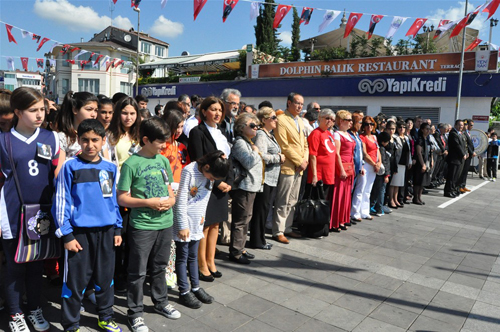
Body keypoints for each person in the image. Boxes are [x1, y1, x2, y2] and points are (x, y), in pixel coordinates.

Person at [53, 119, 123, 332]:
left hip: (107, 232)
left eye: (95, 140)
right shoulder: (70, 167)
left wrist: (118, 228)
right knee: (75, 282)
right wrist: (66, 235)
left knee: (105, 278)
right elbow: (61, 203)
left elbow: (113, 202)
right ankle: (71, 323)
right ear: (78, 140)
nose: (90, 145)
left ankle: (105, 316)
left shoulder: (110, 168)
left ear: (103, 141)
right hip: (79, 235)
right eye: (85, 140)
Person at [0, 87, 59, 332]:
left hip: (41, 214)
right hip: (13, 212)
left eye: (42, 110)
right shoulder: (4, 140)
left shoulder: (51, 137)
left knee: (36, 265)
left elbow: (57, 174)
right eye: (32, 110)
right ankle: (15, 313)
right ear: (17, 112)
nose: (39, 115)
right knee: (14, 266)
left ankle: (34, 308)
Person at [117, 117, 181, 332]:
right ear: (146, 140)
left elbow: (169, 189)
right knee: (137, 271)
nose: (165, 146)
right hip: (142, 225)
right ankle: (134, 313)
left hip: (165, 222)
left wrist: (171, 200)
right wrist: (148, 203)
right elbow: (122, 198)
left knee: (160, 266)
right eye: (160, 142)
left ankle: (161, 302)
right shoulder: (131, 164)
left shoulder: (162, 161)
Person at [174, 151, 229, 308]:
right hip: (184, 222)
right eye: (211, 177)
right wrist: (182, 225)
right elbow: (181, 200)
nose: (211, 180)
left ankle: (196, 287)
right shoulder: (189, 171)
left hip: (198, 222)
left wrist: (202, 220)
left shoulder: (209, 175)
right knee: (182, 257)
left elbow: (204, 200)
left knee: (193, 256)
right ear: (206, 166)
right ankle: (184, 291)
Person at [188, 97, 232, 280]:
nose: (217, 113)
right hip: (207, 184)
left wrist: (228, 181)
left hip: (222, 184)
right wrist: (216, 181)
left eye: (220, 110)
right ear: (204, 111)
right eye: (213, 109)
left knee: (216, 224)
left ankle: (211, 261)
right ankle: (201, 264)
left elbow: (227, 159)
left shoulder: (221, 132)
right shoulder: (197, 132)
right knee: (204, 225)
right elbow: (198, 159)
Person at [272, 93, 309, 243]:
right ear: (289, 103)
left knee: (293, 200)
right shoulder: (281, 119)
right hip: (288, 165)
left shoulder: (300, 120)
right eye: (297, 103)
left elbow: (305, 144)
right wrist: (299, 161)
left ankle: (288, 227)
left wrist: (304, 160)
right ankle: (278, 230)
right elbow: (284, 145)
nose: (300, 106)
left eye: (302, 104)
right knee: (283, 200)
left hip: (299, 167)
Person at [161, 110, 190, 287]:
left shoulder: (181, 147)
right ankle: (166, 271)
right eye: (176, 126)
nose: (179, 130)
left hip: (182, 194)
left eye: (181, 126)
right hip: (166, 195)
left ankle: (171, 269)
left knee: (178, 236)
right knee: (168, 238)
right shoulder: (162, 147)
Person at [229, 113, 263, 264]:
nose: (256, 128)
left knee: (246, 219)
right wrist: (255, 151)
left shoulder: (248, 141)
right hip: (244, 186)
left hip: (251, 186)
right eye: (252, 125)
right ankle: (236, 252)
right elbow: (248, 162)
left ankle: (241, 248)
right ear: (242, 128)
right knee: (241, 220)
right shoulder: (240, 143)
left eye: (257, 125)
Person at [250, 107, 283, 250]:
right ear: (264, 120)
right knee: (261, 210)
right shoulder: (262, 135)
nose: (276, 120)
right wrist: (278, 158)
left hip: (271, 178)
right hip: (265, 179)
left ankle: (261, 239)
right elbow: (261, 155)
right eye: (273, 118)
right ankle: (257, 240)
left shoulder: (269, 134)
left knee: (265, 209)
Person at [55, 91, 98, 176]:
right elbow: (60, 171)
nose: (93, 114)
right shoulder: (63, 137)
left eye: (96, 110)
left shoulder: (98, 135)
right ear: (75, 109)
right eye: (89, 109)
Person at [351, 116, 380, 221]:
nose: (369, 126)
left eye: (371, 124)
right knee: (360, 189)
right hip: (366, 165)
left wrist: (379, 163)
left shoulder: (374, 137)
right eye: (367, 124)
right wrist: (374, 164)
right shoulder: (361, 137)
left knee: (368, 190)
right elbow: (364, 153)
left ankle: (365, 211)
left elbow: (378, 151)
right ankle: (355, 212)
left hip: (374, 166)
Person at [331, 110, 355, 232]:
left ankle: (342, 219)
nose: (351, 122)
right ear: (341, 121)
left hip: (350, 167)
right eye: (348, 120)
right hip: (342, 168)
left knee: (346, 195)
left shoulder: (348, 134)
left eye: (351, 120)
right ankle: (335, 221)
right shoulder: (337, 134)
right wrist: (341, 169)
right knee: (339, 195)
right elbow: (337, 153)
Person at [106, 97, 141, 169]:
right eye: (124, 113)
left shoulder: (141, 134)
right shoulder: (109, 135)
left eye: (132, 113)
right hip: (117, 178)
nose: (128, 117)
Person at [390, 121, 411, 207]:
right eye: (400, 127)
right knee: (393, 183)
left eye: (403, 127)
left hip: (403, 163)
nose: (402, 129)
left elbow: (409, 151)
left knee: (398, 183)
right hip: (397, 162)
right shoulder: (395, 137)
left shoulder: (406, 138)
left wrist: (409, 161)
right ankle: (391, 200)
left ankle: (396, 199)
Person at [444, 120, 467, 198]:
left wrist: (466, 153)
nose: (461, 127)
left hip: (460, 159)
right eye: (460, 125)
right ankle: (448, 191)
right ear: (456, 125)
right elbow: (457, 146)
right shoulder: (453, 134)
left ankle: (453, 189)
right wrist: (462, 154)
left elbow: (464, 145)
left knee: (457, 176)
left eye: (462, 125)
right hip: (454, 158)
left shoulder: (461, 134)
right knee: (452, 176)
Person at [370, 132, 391, 216]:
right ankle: (379, 208)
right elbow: (384, 163)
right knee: (381, 191)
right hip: (382, 174)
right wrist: (387, 175)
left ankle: (374, 206)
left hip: (380, 173)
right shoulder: (381, 149)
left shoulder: (380, 148)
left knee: (377, 190)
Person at [413, 122, 432, 205]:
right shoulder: (420, 139)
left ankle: (419, 197)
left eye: (429, 129)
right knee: (418, 181)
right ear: (422, 130)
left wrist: (432, 160)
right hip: (420, 163)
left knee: (423, 182)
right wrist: (422, 164)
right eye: (426, 129)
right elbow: (419, 153)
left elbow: (430, 151)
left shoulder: (427, 139)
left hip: (427, 161)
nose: (428, 131)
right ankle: (415, 198)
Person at [457, 120, 475, 193]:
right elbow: (466, 145)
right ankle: (460, 185)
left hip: (468, 155)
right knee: (462, 171)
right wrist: (471, 152)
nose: (470, 126)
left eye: (471, 125)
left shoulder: (468, 133)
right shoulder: (463, 133)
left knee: (465, 171)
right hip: (466, 155)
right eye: (469, 125)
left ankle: (463, 185)